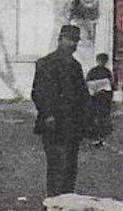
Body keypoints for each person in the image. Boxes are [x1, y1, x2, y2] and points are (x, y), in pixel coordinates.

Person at [31, 24, 90, 196]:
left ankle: (67, 205)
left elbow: (82, 95)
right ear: (60, 40)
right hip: (53, 124)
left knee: (70, 167)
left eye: (76, 41)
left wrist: (88, 120)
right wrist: (48, 114)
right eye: (69, 39)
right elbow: (38, 92)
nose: (73, 44)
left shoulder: (75, 66)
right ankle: (54, 205)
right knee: (57, 166)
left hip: (72, 124)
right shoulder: (45, 63)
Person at [85, 52, 115, 144]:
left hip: (103, 96)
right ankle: (95, 133)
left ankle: (102, 133)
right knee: (95, 114)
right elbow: (88, 83)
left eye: (103, 61)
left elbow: (111, 84)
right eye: (100, 61)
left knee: (102, 115)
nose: (102, 63)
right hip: (96, 95)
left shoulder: (106, 71)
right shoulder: (94, 71)